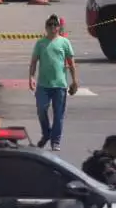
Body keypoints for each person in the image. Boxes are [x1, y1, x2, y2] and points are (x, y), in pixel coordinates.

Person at [28, 14, 78, 150]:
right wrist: (31, 77)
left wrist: (74, 81)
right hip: (43, 85)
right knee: (41, 109)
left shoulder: (64, 42)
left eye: (55, 25)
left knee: (58, 114)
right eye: (50, 25)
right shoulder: (40, 43)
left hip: (60, 85)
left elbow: (71, 63)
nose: (52, 27)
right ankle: (46, 133)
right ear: (46, 27)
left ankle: (55, 141)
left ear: (59, 27)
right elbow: (34, 62)